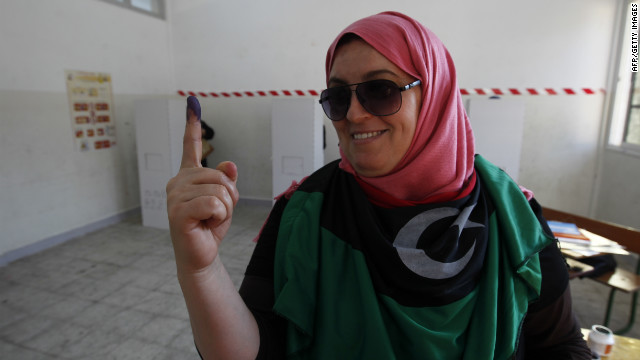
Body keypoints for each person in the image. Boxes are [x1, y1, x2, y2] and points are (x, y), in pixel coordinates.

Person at [166, 11, 592, 360]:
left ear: (435, 97)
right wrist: (200, 269)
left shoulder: (510, 213)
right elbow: (257, 351)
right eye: (337, 97)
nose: (353, 114)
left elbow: (560, 345)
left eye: (381, 90)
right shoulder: (307, 212)